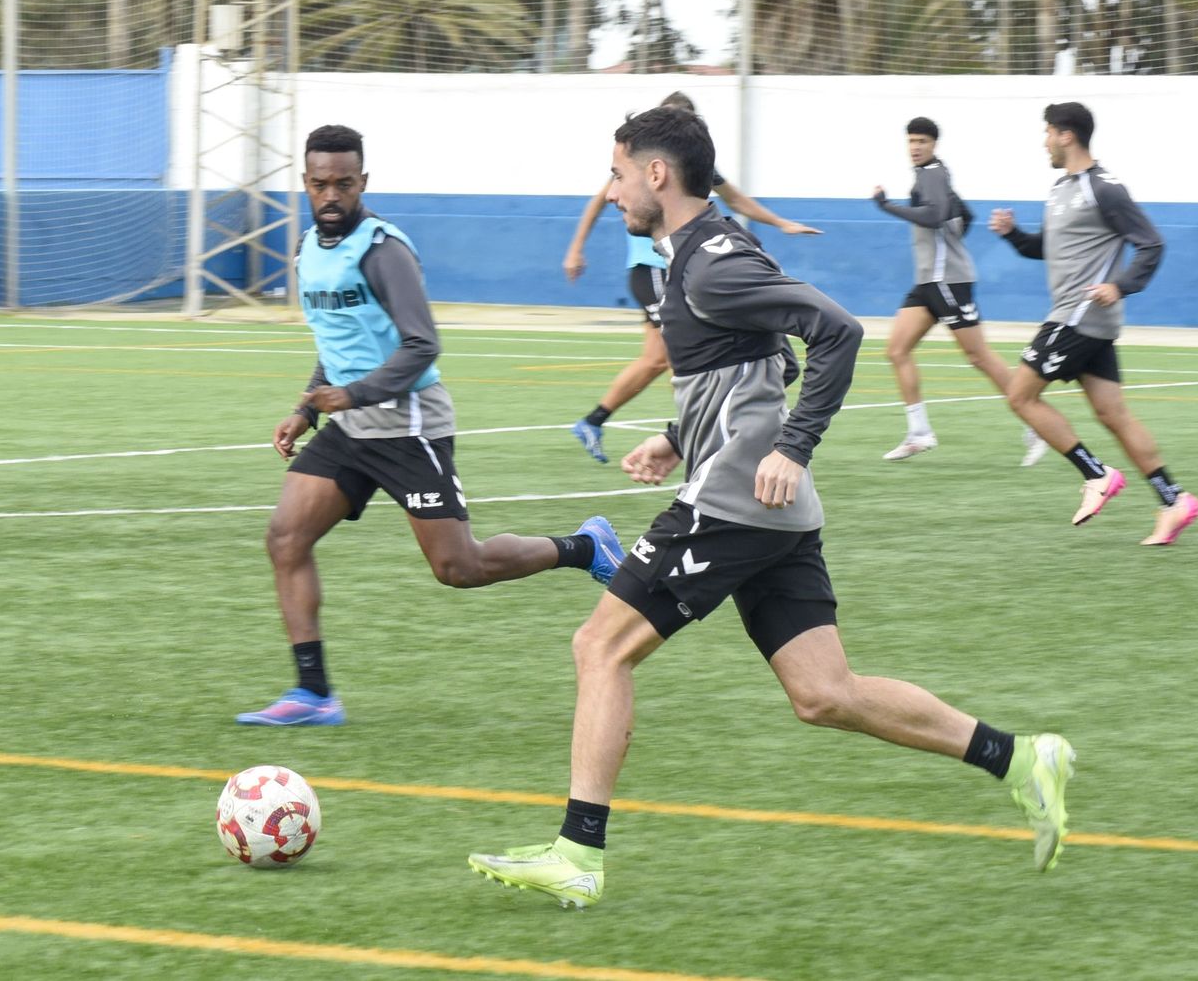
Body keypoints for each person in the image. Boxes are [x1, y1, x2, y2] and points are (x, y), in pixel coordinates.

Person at [468, 106, 1074, 909]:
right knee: (825, 693)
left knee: (600, 647)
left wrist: (792, 447)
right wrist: (678, 435)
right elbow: (763, 362)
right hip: (765, 506)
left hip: (735, 503)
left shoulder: (708, 263)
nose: (610, 193)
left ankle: (578, 852)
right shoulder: (709, 249)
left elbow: (836, 335)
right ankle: (1020, 757)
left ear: (656, 174)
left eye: (617, 174)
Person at [237, 124, 625, 728]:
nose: (331, 195)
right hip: (349, 423)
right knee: (285, 538)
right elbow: (339, 345)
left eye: (344, 183)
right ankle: (314, 694)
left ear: (364, 181)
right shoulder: (308, 250)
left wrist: (351, 395)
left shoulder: (384, 249)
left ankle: (583, 547)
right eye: (319, 184)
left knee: (458, 568)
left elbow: (422, 345)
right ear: (305, 184)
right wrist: (306, 409)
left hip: (408, 423)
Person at [562, 91, 822, 464]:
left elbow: (738, 200)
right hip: (652, 269)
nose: (615, 193)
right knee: (664, 358)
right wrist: (576, 248)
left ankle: (678, 432)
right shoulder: (635, 163)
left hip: (683, 266)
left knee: (741, 358)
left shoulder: (704, 196)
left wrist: (781, 222)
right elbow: (599, 199)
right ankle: (612, 422)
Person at [990, 102, 1198, 545]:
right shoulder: (1059, 189)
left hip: (1079, 315)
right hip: (1081, 317)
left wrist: (1120, 287)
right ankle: (1174, 499)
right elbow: (1046, 249)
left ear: (1067, 135)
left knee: (1020, 396)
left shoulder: (1105, 189)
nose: (1044, 140)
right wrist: (1012, 234)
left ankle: (1096, 474)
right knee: (1113, 413)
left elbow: (1151, 244)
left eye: (1048, 132)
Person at [873, 117, 1046, 465]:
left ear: (934, 144)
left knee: (979, 357)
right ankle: (919, 433)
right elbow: (963, 214)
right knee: (896, 350)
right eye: (911, 141)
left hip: (947, 281)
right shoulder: (932, 175)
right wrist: (949, 241)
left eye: (922, 140)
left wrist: (886, 206)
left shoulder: (933, 172)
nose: (916, 147)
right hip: (928, 282)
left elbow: (936, 215)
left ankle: (1037, 425)